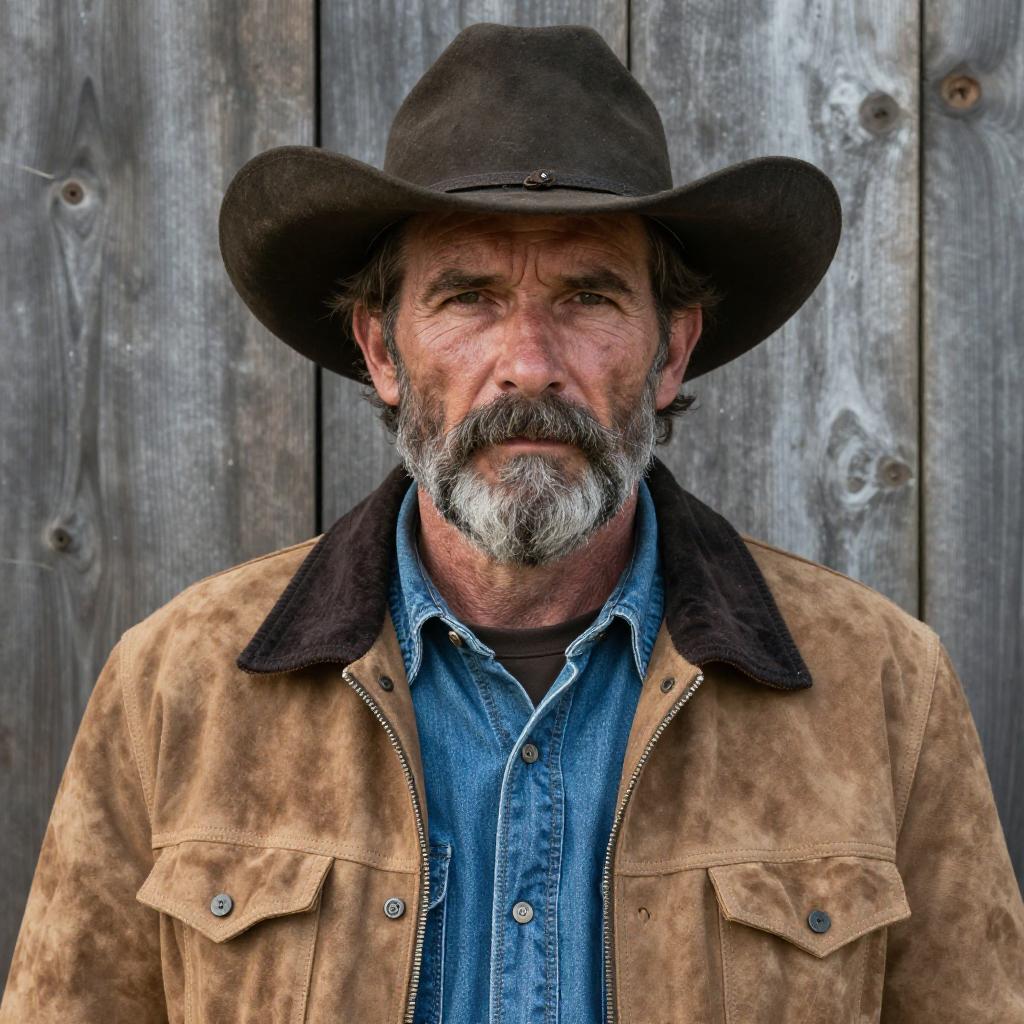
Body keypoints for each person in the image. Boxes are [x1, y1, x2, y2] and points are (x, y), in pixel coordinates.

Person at [2, 22, 1022, 1024]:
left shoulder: (880, 686)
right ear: (384, 351)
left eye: (586, 295)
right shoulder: (177, 684)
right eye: (469, 296)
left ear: (670, 352)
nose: (528, 360)